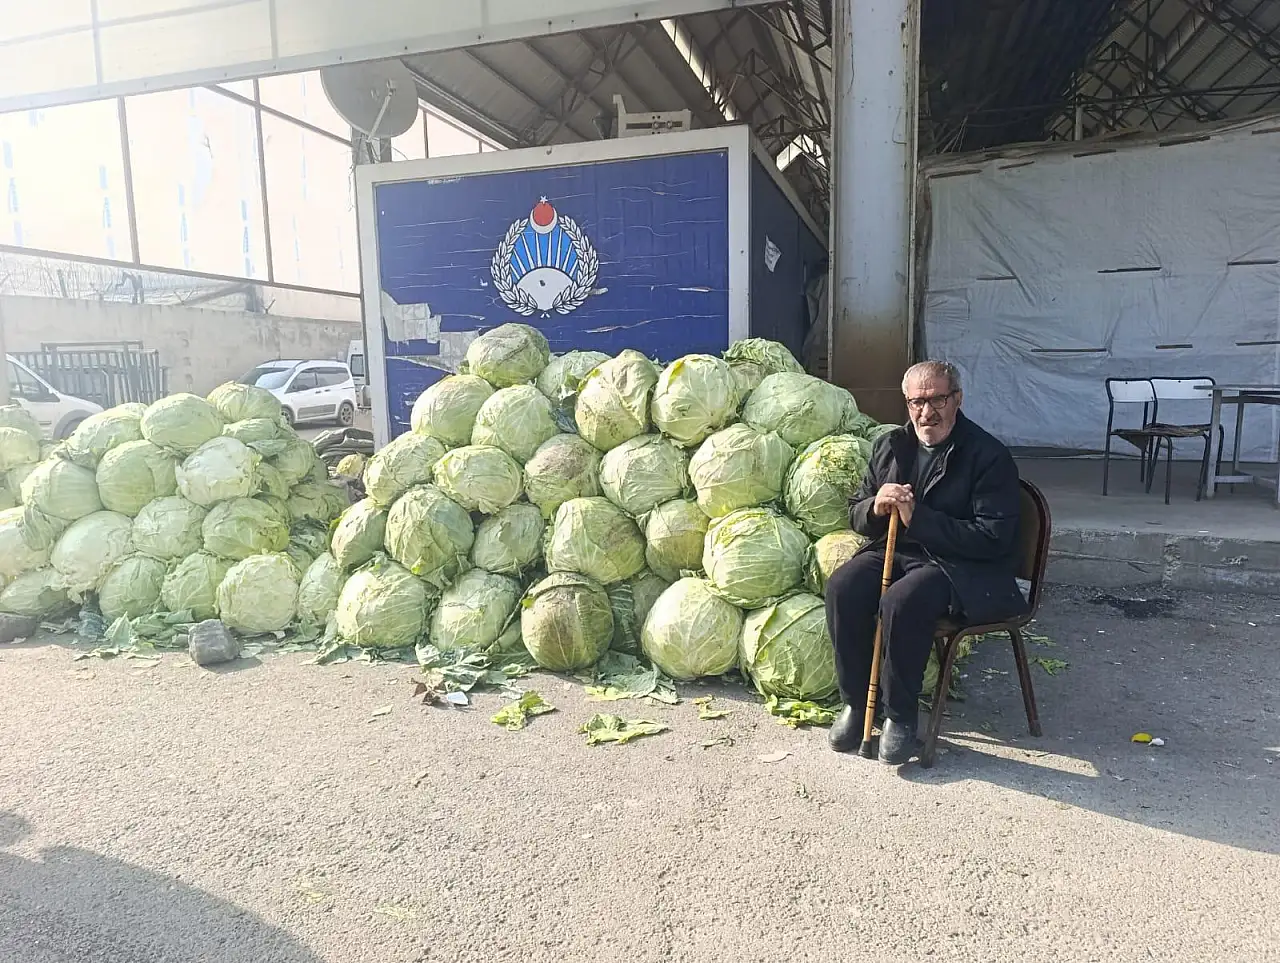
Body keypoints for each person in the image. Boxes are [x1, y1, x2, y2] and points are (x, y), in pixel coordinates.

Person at [825, 361, 1025, 764]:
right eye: (917, 401)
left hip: (960, 566)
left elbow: (992, 538)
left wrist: (923, 520)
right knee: (843, 586)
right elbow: (855, 514)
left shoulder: (987, 455)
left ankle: (900, 715)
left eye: (938, 399)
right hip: (897, 550)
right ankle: (856, 701)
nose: (926, 412)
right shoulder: (891, 445)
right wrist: (876, 507)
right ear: (907, 403)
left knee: (903, 600)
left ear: (958, 399)